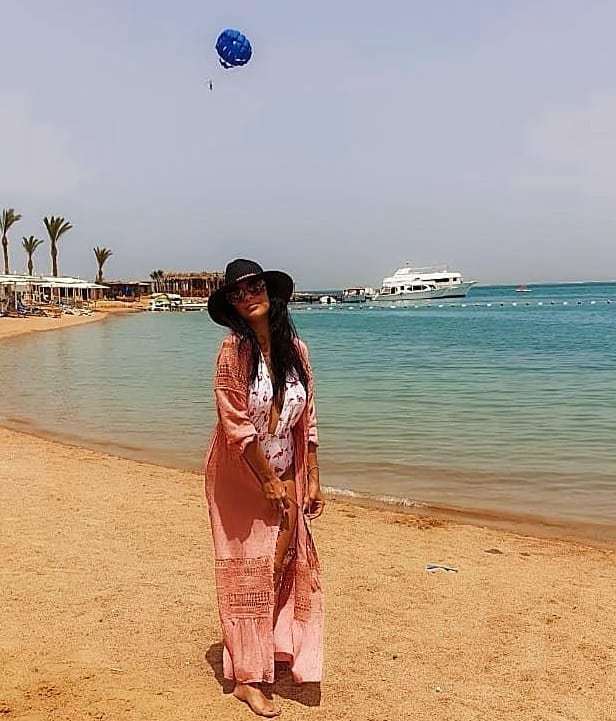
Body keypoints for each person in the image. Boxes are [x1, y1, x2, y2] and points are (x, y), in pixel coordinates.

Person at [204, 259, 325, 717]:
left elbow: (307, 418)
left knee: (282, 563)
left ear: (270, 292)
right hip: (240, 477)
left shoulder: (297, 350)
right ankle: (246, 680)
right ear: (231, 305)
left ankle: (270, 650)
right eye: (237, 293)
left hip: (287, 469)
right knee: (249, 572)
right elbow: (235, 425)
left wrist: (311, 478)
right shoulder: (231, 352)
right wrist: (268, 482)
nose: (247, 296)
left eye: (253, 286)